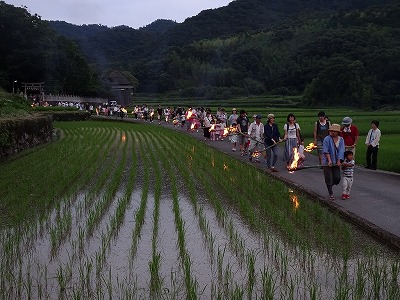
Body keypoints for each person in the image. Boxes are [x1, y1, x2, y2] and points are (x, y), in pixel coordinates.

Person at [322, 124, 345, 201]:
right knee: (329, 178)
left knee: (337, 178)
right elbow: (326, 151)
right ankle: (330, 193)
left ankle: (330, 185)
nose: (332, 132)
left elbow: (341, 151)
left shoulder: (341, 140)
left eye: (334, 131)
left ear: (337, 132)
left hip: (336, 162)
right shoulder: (327, 139)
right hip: (327, 162)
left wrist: (339, 161)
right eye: (331, 131)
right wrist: (329, 160)